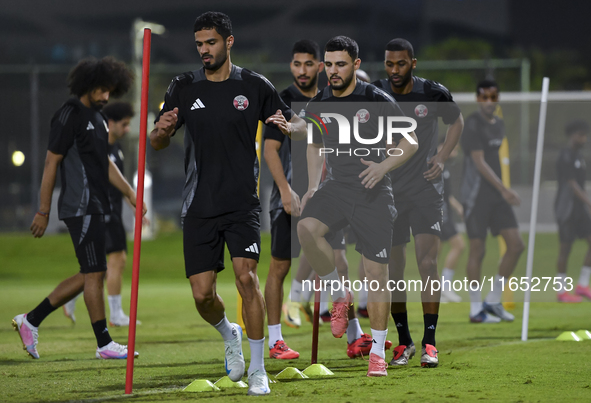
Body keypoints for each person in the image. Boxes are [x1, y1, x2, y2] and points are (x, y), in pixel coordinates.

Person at [149, 12, 306, 396]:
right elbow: (156, 139)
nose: (204, 50)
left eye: (211, 43)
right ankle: (228, 333)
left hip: (242, 204)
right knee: (202, 294)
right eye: (199, 44)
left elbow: (297, 124)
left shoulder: (255, 86)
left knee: (246, 278)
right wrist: (162, 131)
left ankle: (257, 370)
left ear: (229, 42)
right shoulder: (183, 86)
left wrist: (292, 127)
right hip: (199, 203)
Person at [297, 36, 418, 377]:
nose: (333, 71)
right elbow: (313, 145)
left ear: (356, 65)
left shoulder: (376, 99)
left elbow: (409, 141)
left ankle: (378, 351)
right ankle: (339, 294)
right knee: (306, 228)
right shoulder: (319, 102)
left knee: (376, 273)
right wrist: (311, 187)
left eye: (341, 64)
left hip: (374, 193)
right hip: (336, 188)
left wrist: (382, 167)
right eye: (329, 64)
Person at [13, 56, 142, 360]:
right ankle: (104, 343)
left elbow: (105, 164)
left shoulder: (97, 117)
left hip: (95, 206)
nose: (106, 96)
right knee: (94, 272)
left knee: (91, 273)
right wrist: (43, 210)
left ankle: (30, 320)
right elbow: (51, 161)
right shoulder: (69, 114)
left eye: (111, 91)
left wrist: (131, 194)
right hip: (79, 206)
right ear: (87, 85)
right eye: (101, 90)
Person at [373, 38, 464, 368]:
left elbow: (457, 121)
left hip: (426, 191)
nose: (394, 70)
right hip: (390, 193)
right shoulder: (377, 92)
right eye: (389, 64)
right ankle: (404, 342)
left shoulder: (432, 93)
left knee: (427, 264)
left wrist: (442, 156)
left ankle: (430, 342)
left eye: (400, 63)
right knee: (394, 269)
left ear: (413, 62)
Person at [264, 39, 354, 359]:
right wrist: (286, 192)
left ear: (319, 66)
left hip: (327, 195)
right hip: (289, 197)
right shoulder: (282, 100)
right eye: (296, 64)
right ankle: (276, 338)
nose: (302, 70)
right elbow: (270, 150)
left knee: (338, 262)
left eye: (308, 64)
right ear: (291, 66)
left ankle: (354, 336)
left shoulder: (330, 98)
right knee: (279, 266)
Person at [62, 102, 143, 326]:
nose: (127, 129)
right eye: (124, 124)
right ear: (111, 124)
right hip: (102, 212)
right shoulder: (100, 148)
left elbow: (119, 186)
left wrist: (134, 205)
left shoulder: (116, 149)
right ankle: (115, 314)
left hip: (112, 211)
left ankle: (71, 297)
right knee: (117, 259)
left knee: (100, 267)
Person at [460, 79, 524, 323]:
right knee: (478, 248)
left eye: (493, 97)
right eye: (484, 97)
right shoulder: (472, 124)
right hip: (476, 195)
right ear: (478, 99)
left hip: (497, 196)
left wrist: (502, 191)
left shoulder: (500, 124)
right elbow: (478, 161)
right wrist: (504, 188)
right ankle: (476, 309)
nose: (489, 102)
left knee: (516, 245)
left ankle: (494, 299)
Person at [554, 119, 591, 302]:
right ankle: (561, 292)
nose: (583, 138)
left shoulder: (579, 156)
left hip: (580, 208)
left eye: (585, 135)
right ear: (572, 135)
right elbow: (572, 185)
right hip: (566, 208)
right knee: (565, 249)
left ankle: (583, 285)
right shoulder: (565, 155)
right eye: (580, 135)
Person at [439, 146, 465, 303]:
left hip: (445, 214)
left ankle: (437, 290)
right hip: (441, 216)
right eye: (453, 148)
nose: (455, 152)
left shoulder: (444, 167)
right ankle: (445, 287)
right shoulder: (434, 164)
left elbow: (447, 196)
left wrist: (458, 207)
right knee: (459, 245)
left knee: (434, 253)